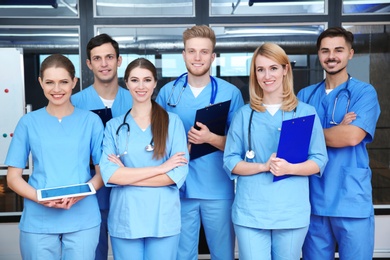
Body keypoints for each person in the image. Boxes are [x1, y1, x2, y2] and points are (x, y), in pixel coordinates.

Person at [223, 42, 328, 259]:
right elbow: (230, 161)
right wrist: (262, 166)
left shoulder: (306, 113)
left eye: (273, 68)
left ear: (285, 69)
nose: (266, 75)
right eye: (260, 69)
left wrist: (290, 168)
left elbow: (319, 160)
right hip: (251, 213)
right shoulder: (244, 115)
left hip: (290, 212)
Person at [156, 25, 244, 260]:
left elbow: (240, 147)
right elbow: (155, 141)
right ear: (183, 55)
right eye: (192, 51)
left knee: (223, 254)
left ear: (213, 56)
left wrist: (210, 138)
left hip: (217, 189)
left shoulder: (231, 93)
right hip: (179, 189)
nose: (197, 58)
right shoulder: (167, 93)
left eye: (204, 52)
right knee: (182, 255)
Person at [5, 54, 104, 259]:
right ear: (41, 82)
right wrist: (40, 199)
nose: (56, 89)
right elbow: (13, 178)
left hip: (82, 217)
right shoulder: (28, 122)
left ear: (74, 83)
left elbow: (103, 173)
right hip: (38, 219)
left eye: (63, 82)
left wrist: (80, 194)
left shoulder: (91, 122)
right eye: (50, 82)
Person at [297, 27, 381, 260]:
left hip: (350, 197)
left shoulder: (364, 93)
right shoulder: (305, 95)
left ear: (350, 54)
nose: (331, 56)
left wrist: (312, 133)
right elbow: (292, 141)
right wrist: (337, 130)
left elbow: (352, 137)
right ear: (319, 54)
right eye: (325, 51)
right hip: (314, 200)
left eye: (338, 50)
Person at [99, 58, 189, 260]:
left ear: (155, 83)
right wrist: (160, 168)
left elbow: (177, 175)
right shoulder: (114, 126)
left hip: (162, 218)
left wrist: (127, 175)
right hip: (126, 217)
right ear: (126, 83)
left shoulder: (172, 123)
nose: (141, 86)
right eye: (135, 80)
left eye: (147, 80)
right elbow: (110, 175)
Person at [71, 33, 133, 260]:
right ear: (89, 64)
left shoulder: (136, 101)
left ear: (119, 60)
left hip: (128, 191)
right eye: (97, 58)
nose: (104, 64)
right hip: (88, 194)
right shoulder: (74, 103)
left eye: (109, 57)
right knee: (91, 254)